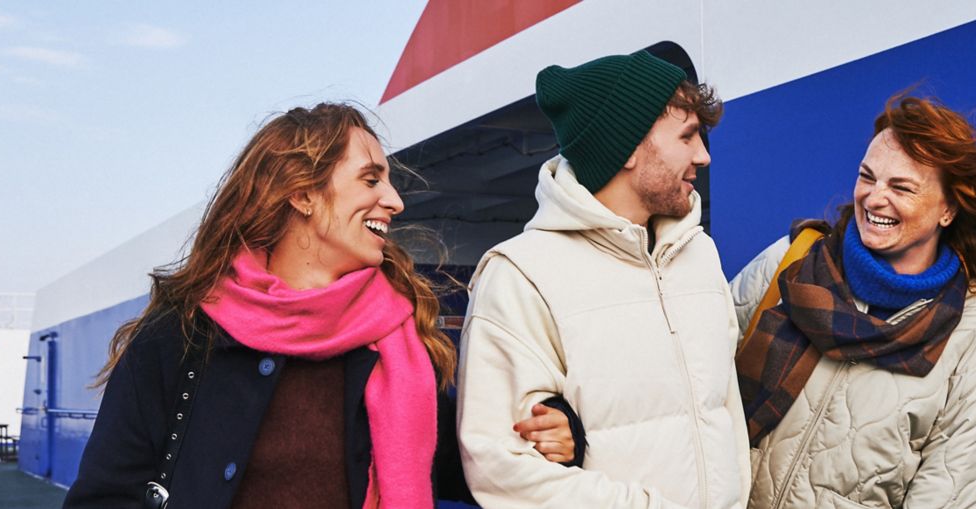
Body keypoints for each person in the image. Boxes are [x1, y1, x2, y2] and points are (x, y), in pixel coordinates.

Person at [63, 103, 577, 509]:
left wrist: (544, 434)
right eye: (371, 179)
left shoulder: (399, 337)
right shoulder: (182, 333)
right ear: (302, 194)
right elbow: (106, 496)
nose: (396, 201)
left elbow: (463, 464)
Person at [731, 92, 976, 508]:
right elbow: (696, 398)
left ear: (947, 209)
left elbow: (956, 494)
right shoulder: (792, 259)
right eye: (867, 176)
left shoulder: (972, 331)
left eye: (902, 187)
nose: (874, 198)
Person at [456, 50, 750, 508]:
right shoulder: (521, 275)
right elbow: (502, 468)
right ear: (628, 146)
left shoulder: (699, 254)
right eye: (688, 137)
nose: (704, 156)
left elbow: (723, 414)